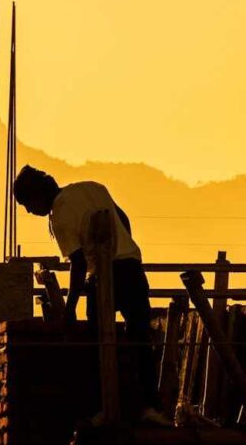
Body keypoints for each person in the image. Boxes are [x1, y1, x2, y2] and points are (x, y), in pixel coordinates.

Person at [13, 165, 171, 426]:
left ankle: (103, 409)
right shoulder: (91, 187)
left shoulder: (59, 214)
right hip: (132, 267)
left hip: (102, 277)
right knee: (140, 339)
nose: (31, 212)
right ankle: (151, 409)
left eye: (28, 205)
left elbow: (78, 263)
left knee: (98, 344)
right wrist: (122, 245)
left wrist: (70, 308)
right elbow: (123, 219)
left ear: (38, 195)